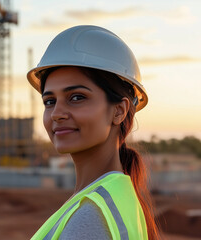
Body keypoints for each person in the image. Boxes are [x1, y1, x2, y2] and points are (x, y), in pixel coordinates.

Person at [27, 25, 159, 239]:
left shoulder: (91, 217)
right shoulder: (116, 197)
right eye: (49, 101)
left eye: (77, 97)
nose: (56, 114)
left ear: (119, 111)